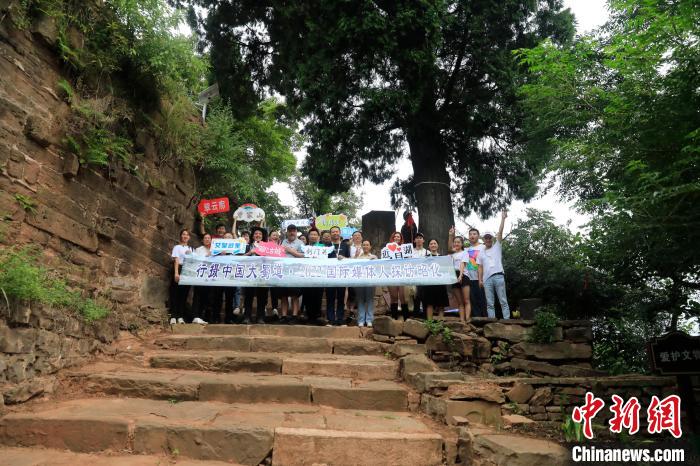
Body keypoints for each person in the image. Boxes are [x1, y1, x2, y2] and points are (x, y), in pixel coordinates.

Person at [477, 210, 510, 319]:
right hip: (487, 279)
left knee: (503, 301)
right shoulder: (481, 252)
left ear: (492, 238)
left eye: (489, 237)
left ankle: (507, 321)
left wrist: (503, 219)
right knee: (490, 304)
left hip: (498, 276)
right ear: (483, 239)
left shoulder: (497, 246)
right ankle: (492, 322)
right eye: (486, 238)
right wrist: (480, 280)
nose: (488, 239)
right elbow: (480, 267)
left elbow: (500, 232)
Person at [242, 227, 269, 324]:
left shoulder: (267, 247)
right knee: (248, 296)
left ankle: (260, 317)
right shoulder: (247, 246)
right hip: (249, 274)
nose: (258, 235)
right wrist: (250, 253)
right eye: (256, 234)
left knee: (262, 297)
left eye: (260, 234)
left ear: (262, 236)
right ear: (253, 236)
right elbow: (239, 258)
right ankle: (247, 317)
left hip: (262, 274)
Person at [279, 224, 305, 324]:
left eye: (293, 231)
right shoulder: (283, 241)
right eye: (290, 231)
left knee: (295, 296)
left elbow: (304, 255)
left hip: (295, 272)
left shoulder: (300, 242)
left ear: (296, 232)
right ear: (287, 232)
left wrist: (290, 251)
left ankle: (294, 316)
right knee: (283, 296)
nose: (291, 233)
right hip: (283, 272)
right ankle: (284, 316)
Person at [460, 228, 487, 318]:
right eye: (470, 234)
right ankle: (476, 319)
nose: (472, 236)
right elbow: (453, 249)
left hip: (481, 279)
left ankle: (485, 318)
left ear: (478, 236)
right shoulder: (466, 249)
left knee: (483, 299)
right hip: (469, 279)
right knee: (473, 300)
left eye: (474, 234)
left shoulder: (483, 247)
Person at [422, 238, 450, 320]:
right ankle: (430, 323)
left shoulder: (443, 257)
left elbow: (446, 270)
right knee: (429, 304)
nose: (433, 245)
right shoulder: (425, 258)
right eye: (431, 244)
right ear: (428, 246)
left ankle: (440, 322)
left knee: (441, 304)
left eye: (434, 243)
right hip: (429, 284)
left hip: (440, 283)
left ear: (437, 245)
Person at [170, 229, 194, 324]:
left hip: (187, 270)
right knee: (175, 292)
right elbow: (176, 260)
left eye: (187, 235)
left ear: (189, 237)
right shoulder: (177, 247)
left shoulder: (191, 249)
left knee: (184, 294)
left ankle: (180, 316)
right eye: (183, 234)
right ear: (181, 236)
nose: (185, 236)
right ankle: (173, 316)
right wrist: (176, 273)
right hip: (179, 268)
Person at [302, 227, 324, 324]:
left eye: (315, 235)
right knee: (307, 295)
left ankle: (316, 316)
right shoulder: (304, 247)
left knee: (318, 296)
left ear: (318, 237)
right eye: (312, 234)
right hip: (306, 275)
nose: (313, 236)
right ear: (309, 236)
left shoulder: (323, 247)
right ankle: (309, 316)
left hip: (319, 275)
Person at [325, 226, 345, 326]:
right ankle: (331, 319)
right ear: (330, 234)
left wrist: (344, 258)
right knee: (330, 298)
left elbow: (350, 259)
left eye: (337, 231)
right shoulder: (326, 245)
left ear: (340, 232)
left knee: (341, 298)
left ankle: (340, 319)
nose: (335, 233)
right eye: (333, 232)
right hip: (330, 275)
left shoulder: (345, 245)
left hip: (342, 275)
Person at [354, 239, 377, 327]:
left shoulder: (374, 257)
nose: (365, 246)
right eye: (364, 245)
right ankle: (361, 320)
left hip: (370, 281)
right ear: (362, 246)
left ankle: (369, 320)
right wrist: (355, 257)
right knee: (360, 300)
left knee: (369, 300)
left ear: (370, 247)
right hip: (360, 281)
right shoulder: (358, 257)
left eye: (367, 245)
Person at [449, 226, 470, 322]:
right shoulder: (452, 254)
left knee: (466, 300)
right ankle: (462, 321)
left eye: (458, 242)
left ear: (462, 244)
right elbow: (449, 247)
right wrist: (450, 235)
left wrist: (461, 275)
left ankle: (468, 319)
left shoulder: (464, 253)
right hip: (454, 276)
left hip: (463, 275)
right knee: (460, 302)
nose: (456, 243)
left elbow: (462, 264)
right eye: (455, 242)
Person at [191, 234, 211, 325]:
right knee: (197, 296)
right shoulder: (198, 249)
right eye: (205, 238)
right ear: (202, 240)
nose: (207, 239)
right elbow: (196, 261)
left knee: (205, 297)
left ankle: (201, 316)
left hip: (210, 277)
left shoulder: (214, 250)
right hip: (199, 276)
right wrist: (207, 256)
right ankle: (195, 316)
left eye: (209, 238)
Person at [387, 231, 407, 320]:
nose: (396, 238)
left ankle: (406, 317)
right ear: (392, 238)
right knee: (394, 297)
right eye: (395, 236)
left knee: (403, 297)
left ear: (401, 238)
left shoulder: (405, 249)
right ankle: (394, 317)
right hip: (392, 274)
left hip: (402, 274)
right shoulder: (387, 249)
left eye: (398, 237)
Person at [410, 232, 429, 318]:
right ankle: (415, 317)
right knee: (415, 297)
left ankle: (426, 317)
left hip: (424, 277)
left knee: (425, 298)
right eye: (417, 238)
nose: (419, 239)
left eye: (420, 238)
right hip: (413, 277)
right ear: (414, 240)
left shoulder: (427, 252)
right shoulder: (410, 252)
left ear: (423, 240)